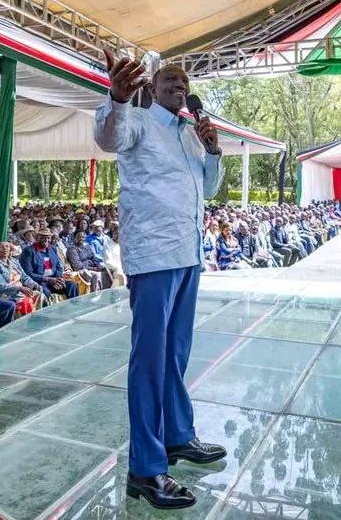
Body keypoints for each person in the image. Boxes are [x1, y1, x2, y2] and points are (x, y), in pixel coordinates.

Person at [94, 50, 227, 510]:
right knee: (149, 362)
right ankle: (146, 471)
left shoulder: (191, 135)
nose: (176, 87)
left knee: (175, 355)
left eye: (181, 82)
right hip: (152, 257)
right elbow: (109, 137)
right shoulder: (137, 120)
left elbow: (208, 190)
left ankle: (177, 437)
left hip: (188, 254)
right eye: (167, 80)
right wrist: (117, 96)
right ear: (151, 88)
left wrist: (213, 151)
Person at [19, 228, 76, 300]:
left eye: (48, 238)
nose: (46, 240)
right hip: (39, 281)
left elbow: (59, 265)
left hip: (54, 279)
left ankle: (74, 308)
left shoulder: (53, 248)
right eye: (42, 237)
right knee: (45, 292)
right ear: (36, 238)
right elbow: (27, 273)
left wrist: (58, 278)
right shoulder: (28, 251)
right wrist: (48, 279)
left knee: (71, 285)